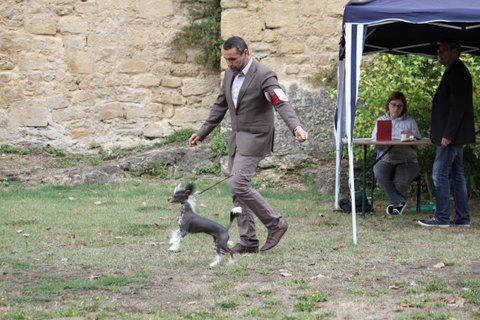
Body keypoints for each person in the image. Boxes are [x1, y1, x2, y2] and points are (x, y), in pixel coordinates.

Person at [188, 36, 308, 253]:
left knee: (238, 184)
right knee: (237, 192)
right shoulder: (228, 75)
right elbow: (219, 106)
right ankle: (249, 241)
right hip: (237, 139)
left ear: (245, 53)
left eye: (233, 59)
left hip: (256, 138)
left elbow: (280, 102)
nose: (229, 64)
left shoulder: (263, 74)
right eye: (226, 59)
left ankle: (275, 223)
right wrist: (202, 132)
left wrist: (296, 127)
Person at [418, 41, 475, 228]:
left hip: (451, 137)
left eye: (442, 51)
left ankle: (441, 217)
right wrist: (436, 127)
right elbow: (447, 106)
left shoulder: (458, 72)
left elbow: (457, 108)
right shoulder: (454, 70)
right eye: (439, 51)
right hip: (451, 134)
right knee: (457, 176)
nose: (439, 54)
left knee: (439, 174)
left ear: (455, 52)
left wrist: (447, 133)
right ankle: (462, 218)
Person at [372, 91, 421, 215]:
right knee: (378, 171)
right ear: (388, 105)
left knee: (401, 182)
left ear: (403, 107)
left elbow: (419, 144)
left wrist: (411, 139)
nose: (396, 108)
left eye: (400, 106)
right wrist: (382, 142)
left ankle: (396, 202)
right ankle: (399, 201)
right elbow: (374, 144)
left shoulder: (410, 121)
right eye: (393, 105)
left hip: (407, 160)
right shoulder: (381, 120)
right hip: (387, 158)